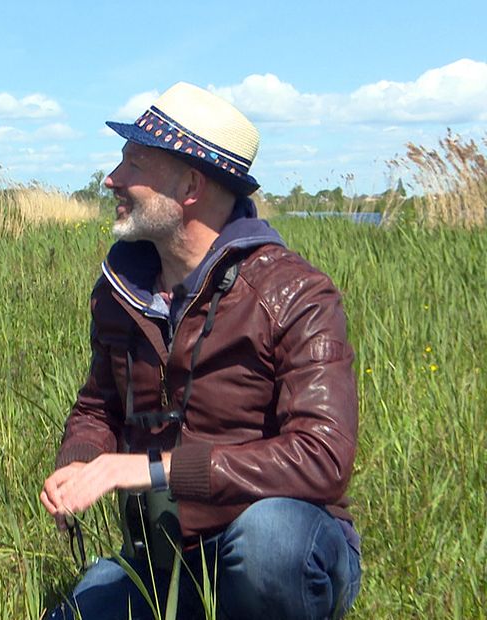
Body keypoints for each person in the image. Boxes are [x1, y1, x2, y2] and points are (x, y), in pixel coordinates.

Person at [40, 82, 361, 619]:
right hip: (165, 563)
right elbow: (98, 408)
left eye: (134, 163)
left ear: (190, 184)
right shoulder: (122, 292)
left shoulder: (295, 294)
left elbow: (323, 457)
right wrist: (79, 463)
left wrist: (152, 470)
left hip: (271, 548)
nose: (111, 179)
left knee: (270, 544)